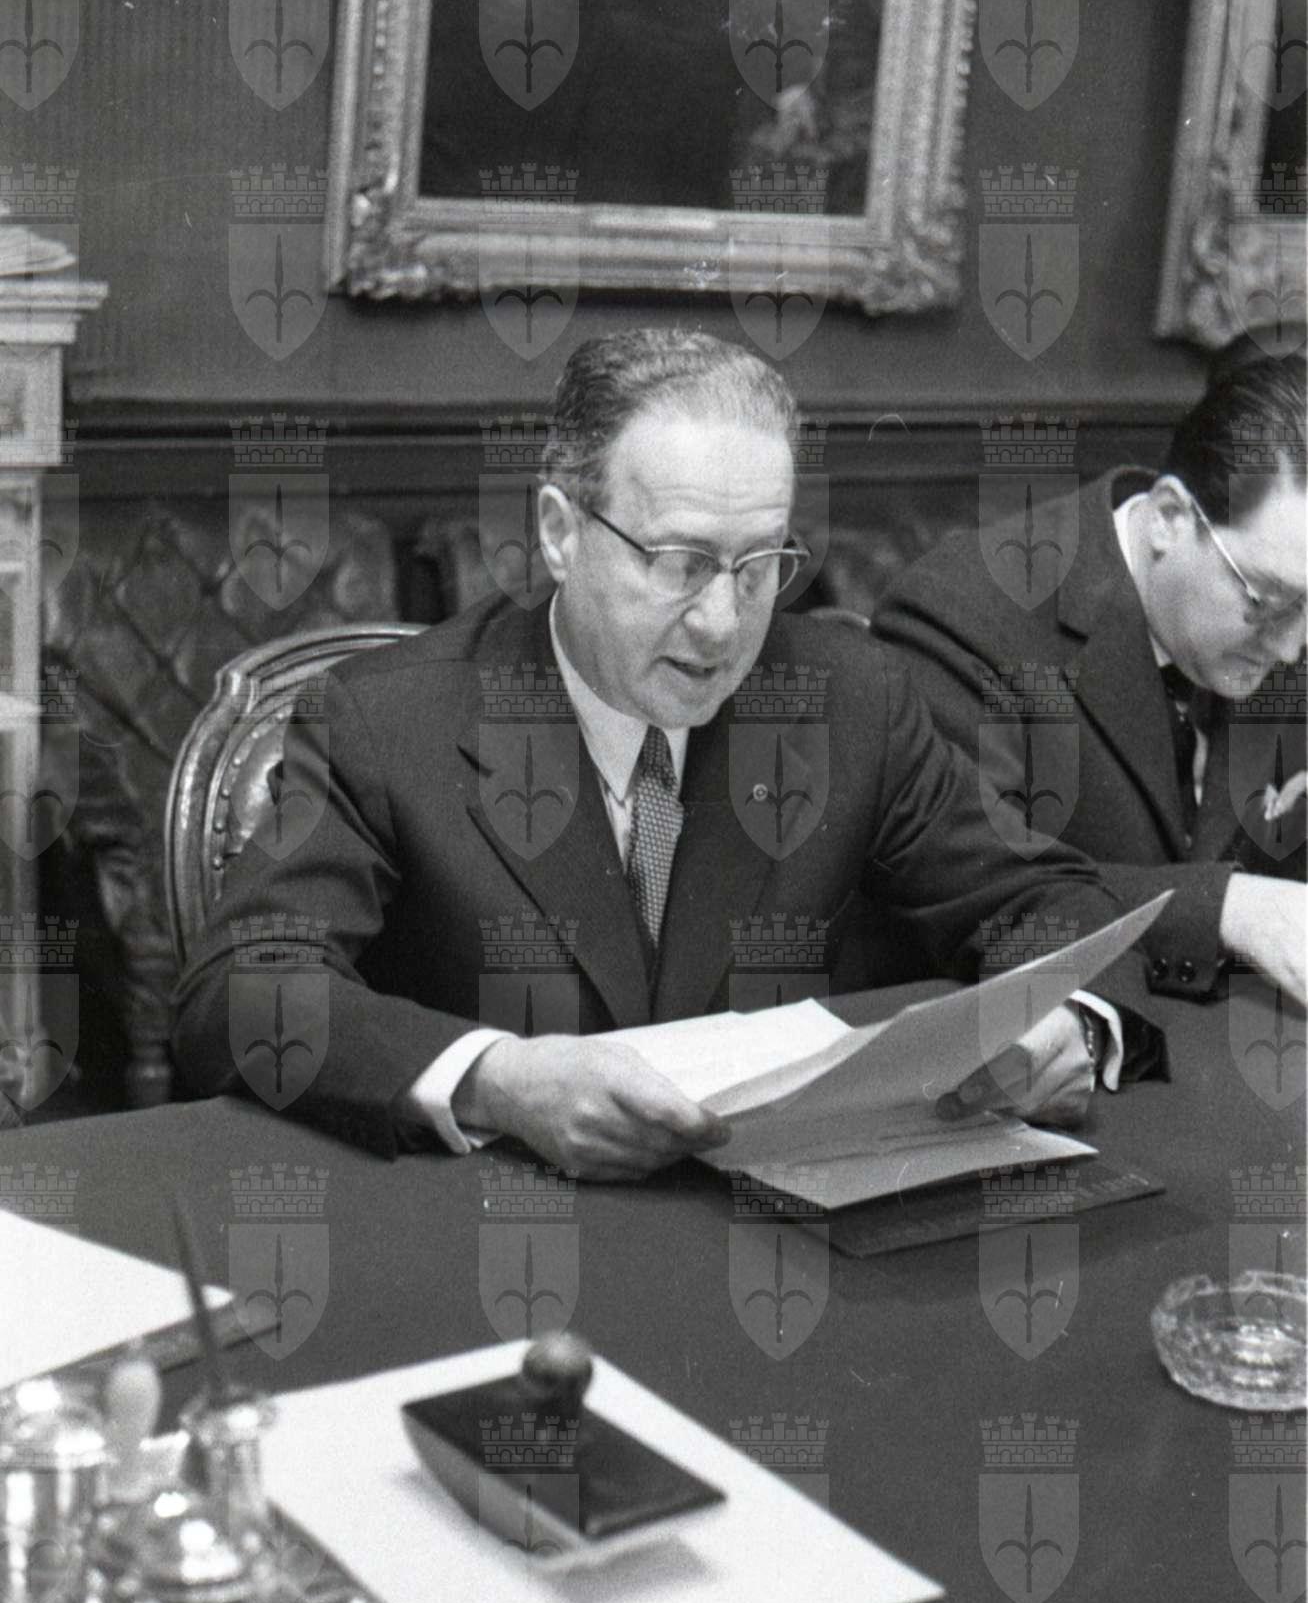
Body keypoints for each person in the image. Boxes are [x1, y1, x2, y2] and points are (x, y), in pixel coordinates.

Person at [172, 331, 1162, 1174]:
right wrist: (496, 1078)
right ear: (561, 532)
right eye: (680, 562)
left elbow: (1047, 900)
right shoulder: (388, 720)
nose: (722, 622)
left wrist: (1070, 1020)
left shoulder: (850, 698)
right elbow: (241, 988)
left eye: (760, 565)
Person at [875, 354, 1307, 1008]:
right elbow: (978, 892)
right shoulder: (963, 618)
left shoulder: (1288, 580)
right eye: (1266, 602)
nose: (1291, 646)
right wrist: (1227, 910)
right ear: (1169, 518)